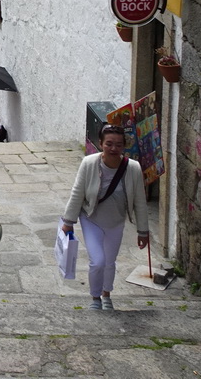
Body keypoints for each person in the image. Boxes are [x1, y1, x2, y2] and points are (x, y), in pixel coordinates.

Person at [60, 124, 149, 311]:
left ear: (124, 146)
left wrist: (143, 231)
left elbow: (140, 201)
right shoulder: (89, 163)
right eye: (109, 144)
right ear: (101, 144)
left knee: (110, 262)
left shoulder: (133, 168)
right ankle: (95, 298)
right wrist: (68, 221)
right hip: (91, 218)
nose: (113, 148)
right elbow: (78, 192)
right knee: (98, 261)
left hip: (116, 222)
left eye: (118, 144)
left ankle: (106, 294)